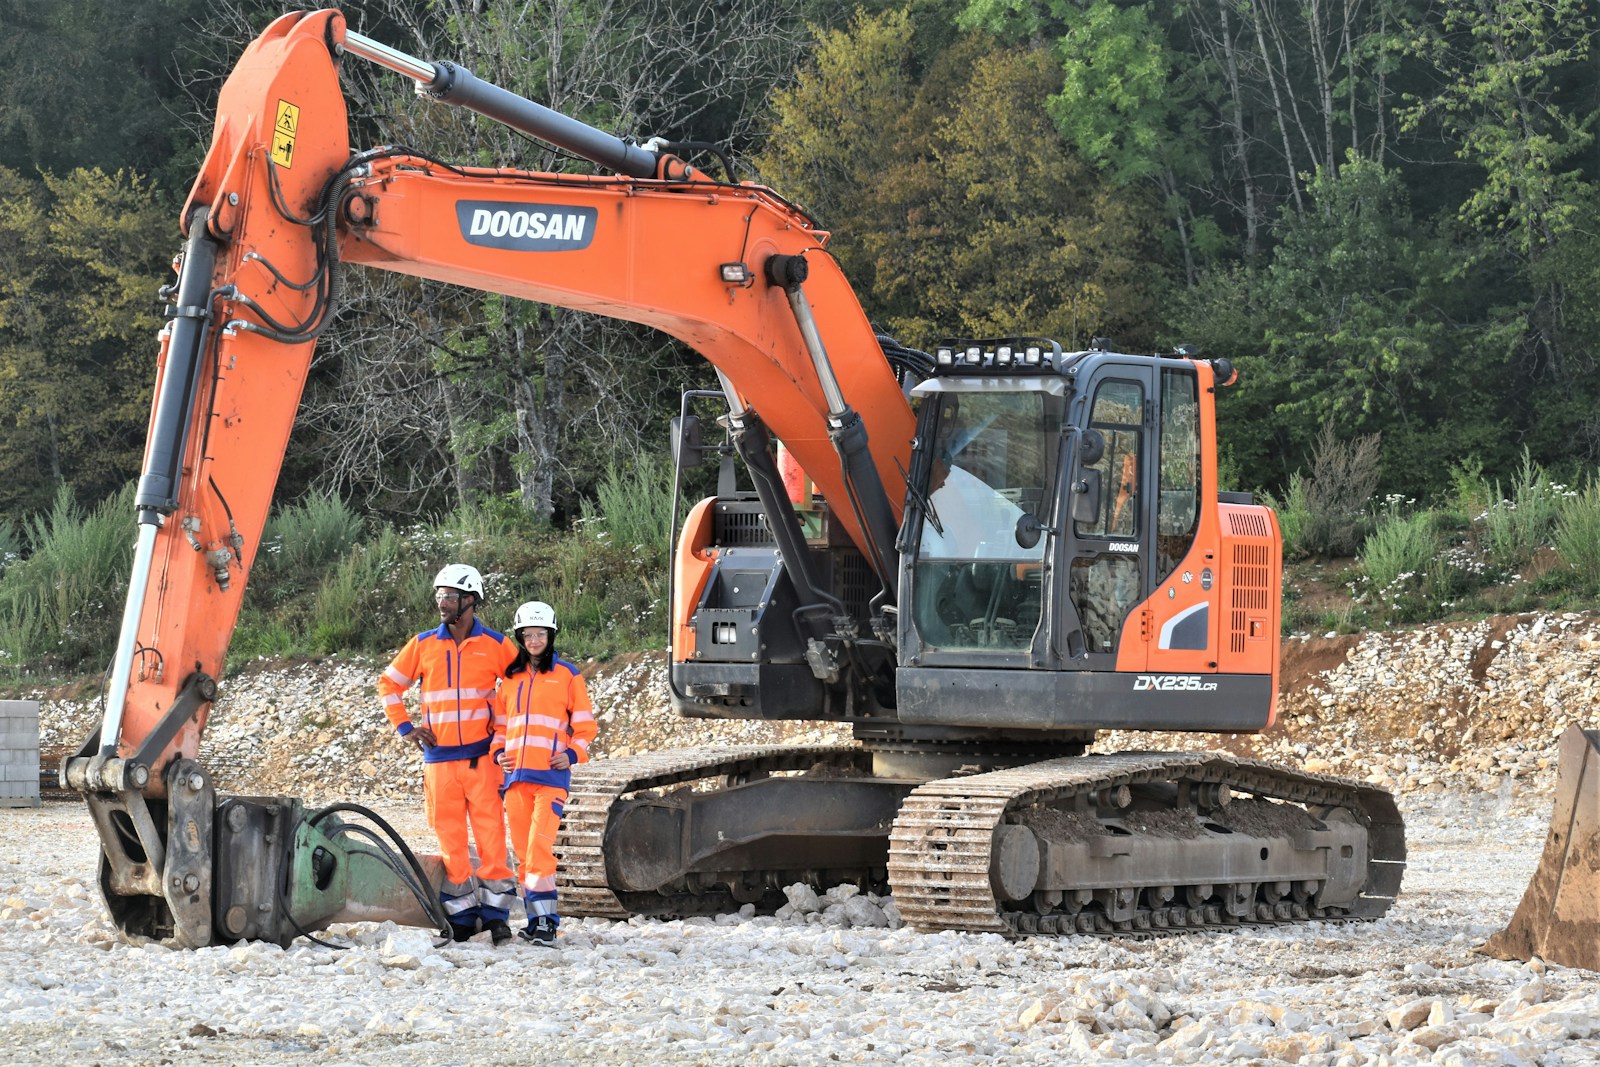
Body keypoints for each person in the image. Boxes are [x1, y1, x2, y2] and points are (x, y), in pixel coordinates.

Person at [378, 563, 520, 945]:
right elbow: (388, 684)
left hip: (482, 761)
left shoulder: (496, 644)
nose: (442, 603)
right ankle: (461, 917)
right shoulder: (423, 644)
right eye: (439, 595)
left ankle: (495, 917)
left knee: (492, 838)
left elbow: (521, 690)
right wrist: (405, 727)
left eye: (450, 596)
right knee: (451, 840)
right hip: (439, 762)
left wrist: (503, 737)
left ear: (470, 600)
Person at [493, 600, 597, 946]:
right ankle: (534, 920)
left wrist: (571, 754)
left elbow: (585, 727)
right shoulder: (509, 680)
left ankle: (548, 923)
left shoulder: (567, 675)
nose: (534, 640)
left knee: (540, 849)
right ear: (520, 637)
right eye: (528, 634)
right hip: (516, 780)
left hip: (550, 780)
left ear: (551, 635)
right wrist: (498, 755)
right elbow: (500, 727)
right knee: (523, 853)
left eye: (540, 634)